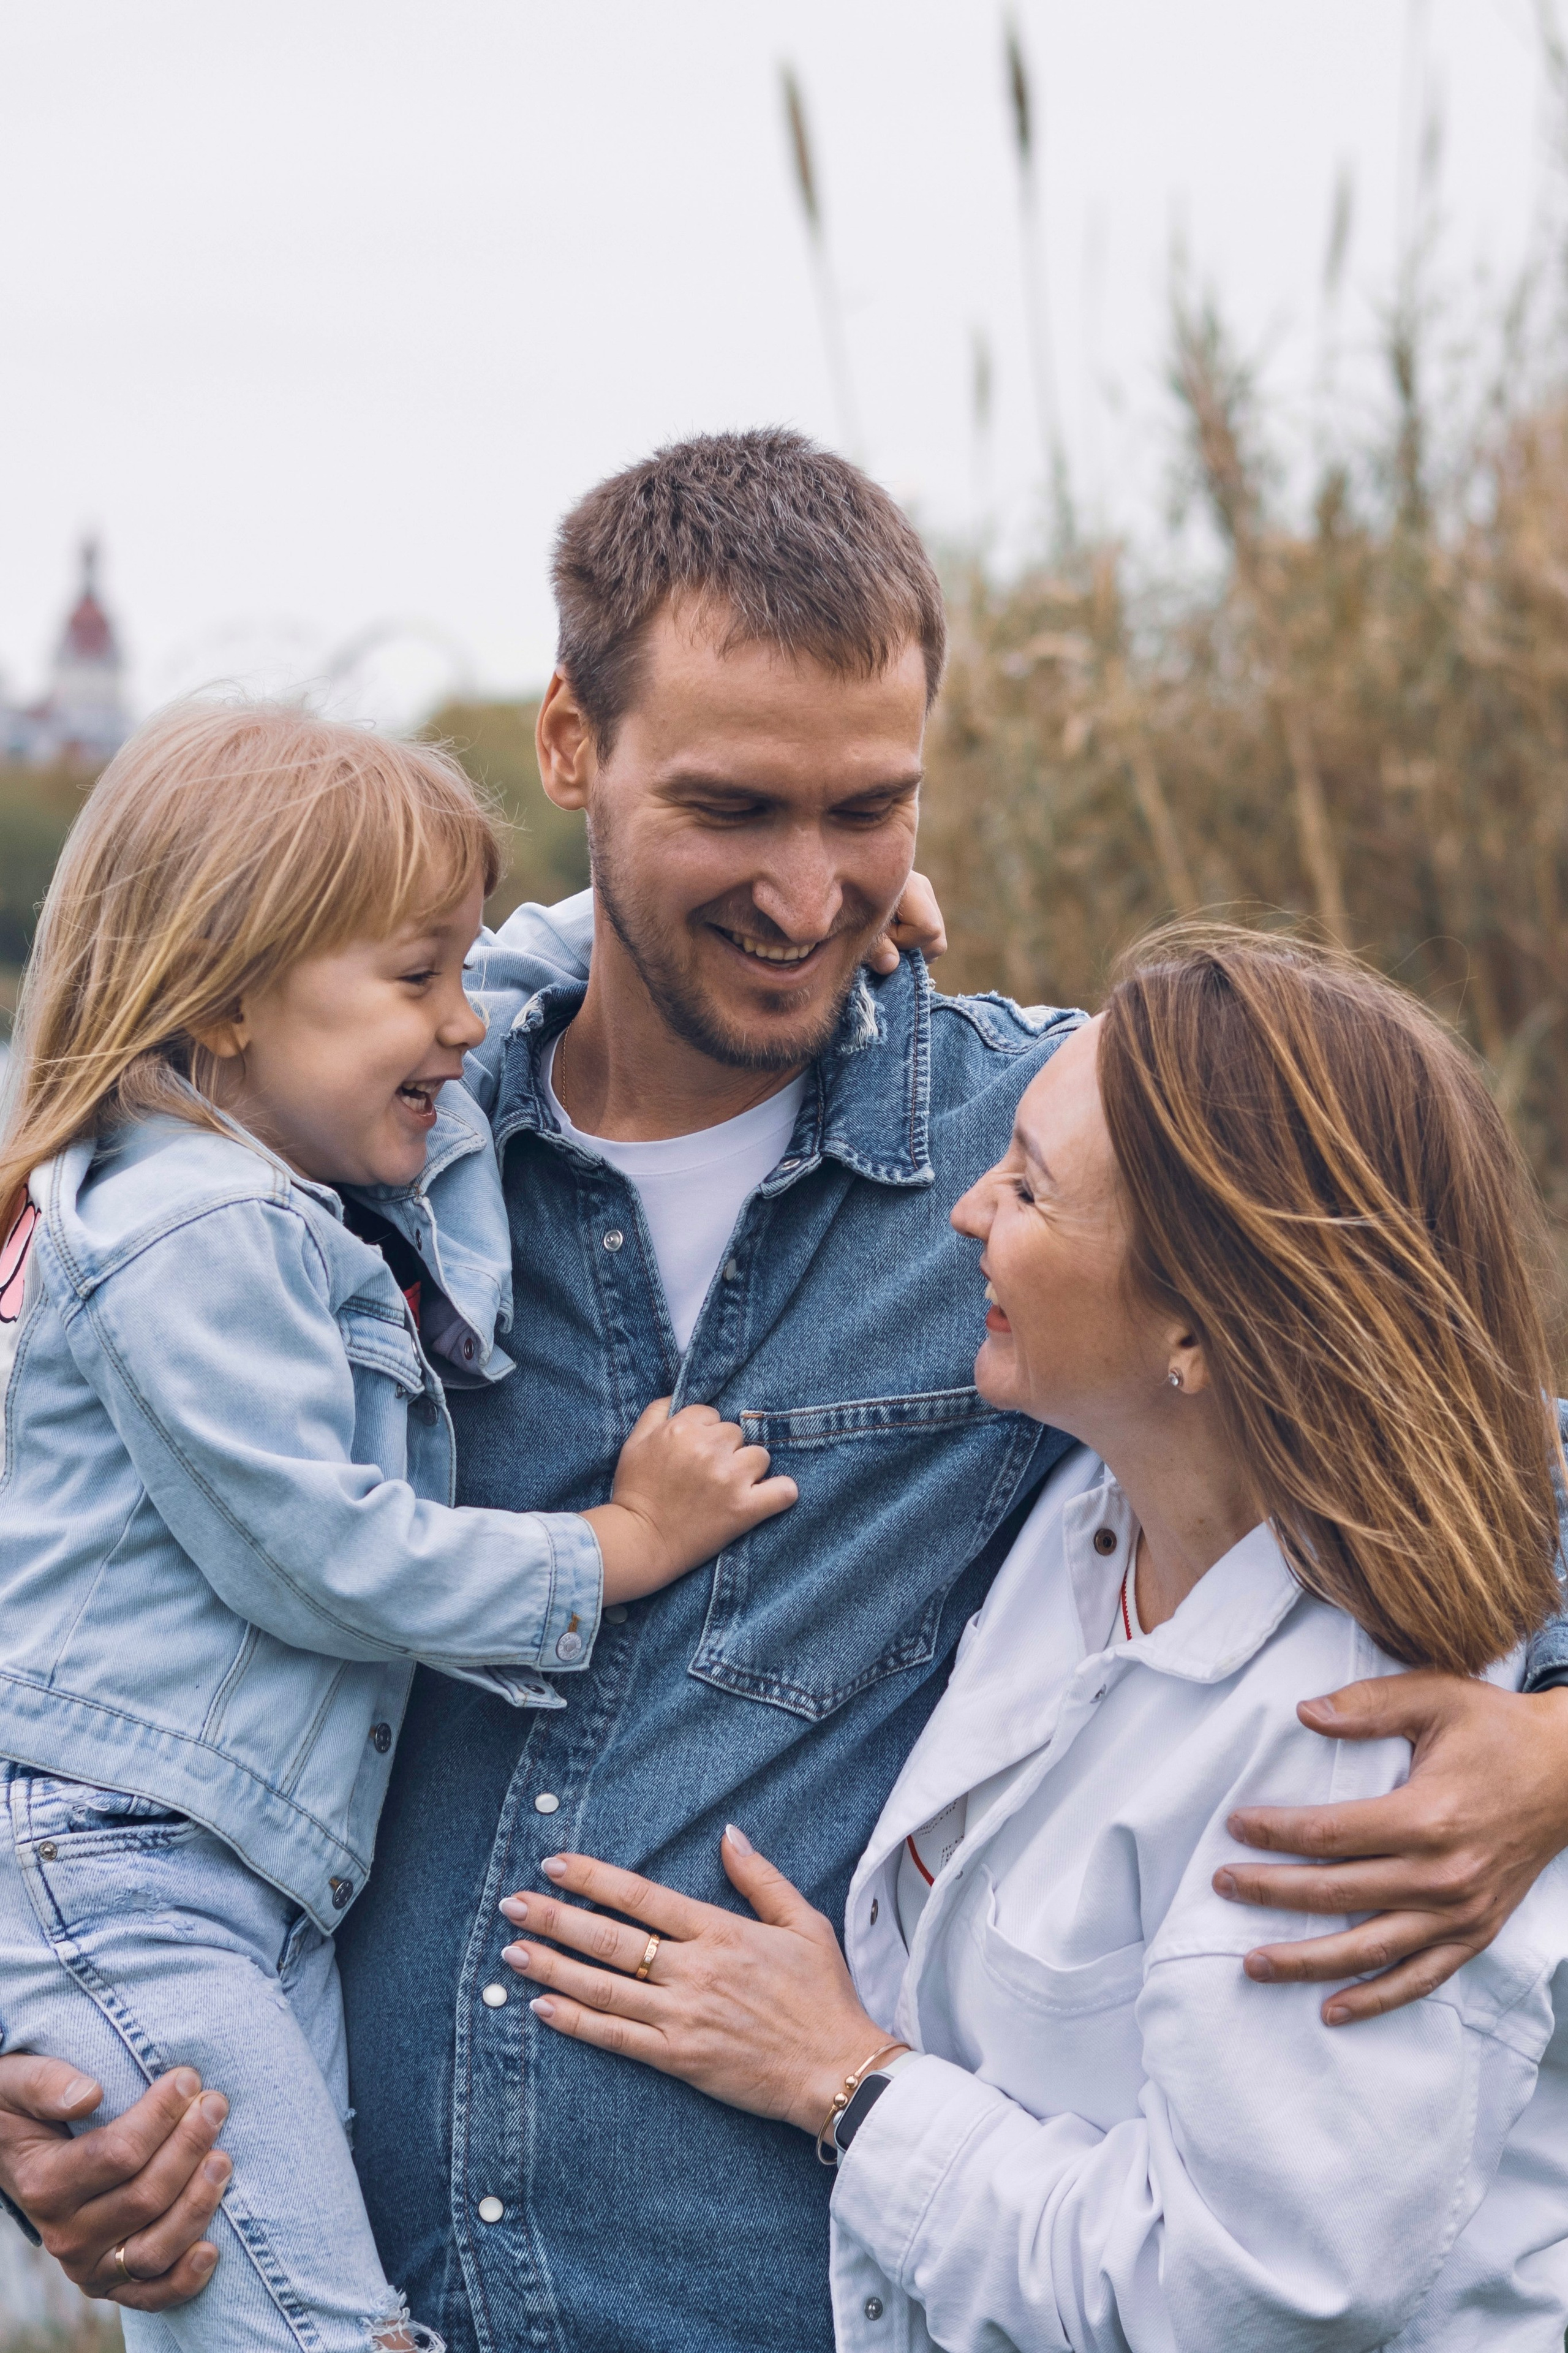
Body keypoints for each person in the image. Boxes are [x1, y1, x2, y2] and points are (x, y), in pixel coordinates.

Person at [9, 434, 1568, 2353]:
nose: (810, 893)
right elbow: (69, 1631)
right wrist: (48, 2097)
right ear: (572, 746)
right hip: (369, 2275)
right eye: (733, 808)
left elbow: (1467, 1451)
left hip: (800, 2298)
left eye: (872, 812)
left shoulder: (1068, 1162)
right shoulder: (335, 1156)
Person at [500, 927, 1568, 2351]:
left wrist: (845, 2080)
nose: (964, 1212)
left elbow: (1238, 2300)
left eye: (1029, 1189)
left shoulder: (1361, 1751)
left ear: (1200, 1319)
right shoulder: (1084, 1504)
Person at [0, 701, 796, 2351]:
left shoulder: (280, 1172)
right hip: (122, 1876)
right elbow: (321, 1546)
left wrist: (805, 913)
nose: (460, 1028)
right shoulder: (192, 1225)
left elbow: (489, 984)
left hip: (227, 1881)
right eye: (410, 979)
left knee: (246, 2317)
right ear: (228, 995)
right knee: (312, 2325)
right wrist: (617, 1546)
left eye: (454, 970)